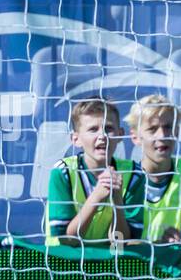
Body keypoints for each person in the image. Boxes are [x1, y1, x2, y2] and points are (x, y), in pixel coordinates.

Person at [45, 98, 142, 247]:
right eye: (93, 129)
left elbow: (120, 242)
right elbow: (67, 241)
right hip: (62, 263)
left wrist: (117, 199)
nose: (102, 136)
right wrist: (97, 196)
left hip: (109, 265)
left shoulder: (134, 174)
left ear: (120, 134)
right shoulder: (62, 171)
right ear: (76, 139)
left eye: (108, 128)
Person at [126, 94, 181, 245]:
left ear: (177, 131)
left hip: (175, 262)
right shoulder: (126, 177)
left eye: (168, 127)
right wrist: (158, 245)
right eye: (152, 129)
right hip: (134, 264)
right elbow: (120, 241)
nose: (162, 135)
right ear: (135, 137)